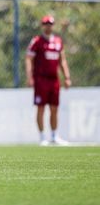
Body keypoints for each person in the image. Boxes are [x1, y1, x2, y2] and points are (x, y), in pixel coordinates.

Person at [25, 15, 71, 146]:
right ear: (42, 25)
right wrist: (30, 77)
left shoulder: (58, 41)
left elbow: (62, 60)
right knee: (41, 108)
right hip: (40, 80)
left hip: (54, 80)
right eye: (46, 24)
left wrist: (67, 77)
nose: (48, 26)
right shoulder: (37, 41)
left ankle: (54, 136)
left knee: (54, 108)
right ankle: (42, 137)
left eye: (50, 24)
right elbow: (29, 59)